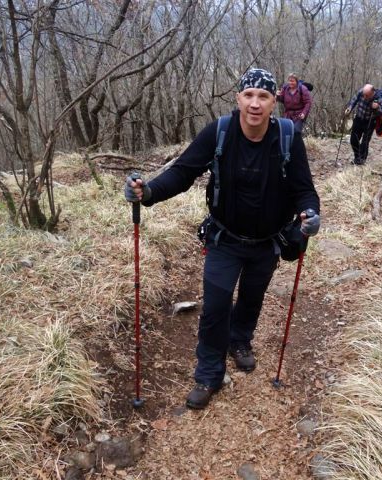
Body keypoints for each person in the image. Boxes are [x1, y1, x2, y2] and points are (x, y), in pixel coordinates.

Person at [125, 68, 321, 410]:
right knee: (215, 306)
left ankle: (240, 342)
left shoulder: (288, 136)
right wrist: (150, 192)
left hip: (267, 241)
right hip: (224, 238)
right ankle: (208, 373)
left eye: (263, 97)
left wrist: (309, 214)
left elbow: (304, 189)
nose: (255, 104)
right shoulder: (220, 132)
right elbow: (184, 172)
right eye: (249, 95)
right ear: (238, 98)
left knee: (251, 298)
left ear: (274, 102)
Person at [344, 83, 382, 165]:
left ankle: (361, 160)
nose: (365, 97)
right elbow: (354, 100)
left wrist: (377, 107)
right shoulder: (361, 92)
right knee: (353, 140)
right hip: (358, 118)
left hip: (370, 121)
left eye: (367, 96)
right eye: (364, 95)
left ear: (372, 93)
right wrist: (349, 108)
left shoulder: (378, 98)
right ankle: (357, 157)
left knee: (365, 142)